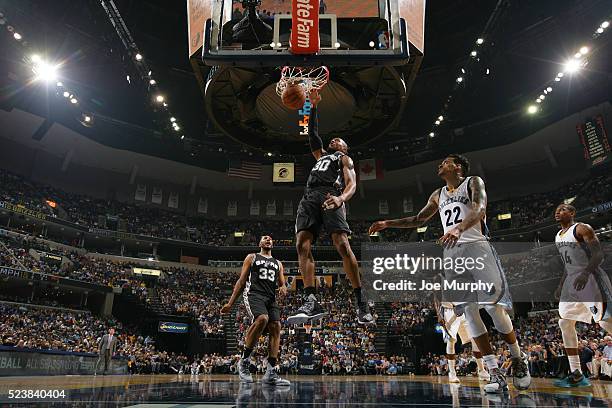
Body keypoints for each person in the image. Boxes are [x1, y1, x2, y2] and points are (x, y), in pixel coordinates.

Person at [369, 154, 531, 393]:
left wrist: (459, 227)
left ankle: (518, 358)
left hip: (477, 246)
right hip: (452, 254)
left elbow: (479, 208)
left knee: (492, 307)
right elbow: (418, 219)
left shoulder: (473, 182)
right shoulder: (438, 194)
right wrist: (388, 223)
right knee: (469, 311)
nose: (439, 165)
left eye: (444, 162)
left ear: (457, 166)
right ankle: (494, 371)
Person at [288, 90, 374, 325]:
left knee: (342, 245)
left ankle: (360, 302)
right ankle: (311, 300)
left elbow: (352, 184)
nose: (335, 140)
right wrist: (313, 106)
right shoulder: (321, 156)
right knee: (301, 244)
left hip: (331, 195)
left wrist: (341, 199)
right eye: (333, 139)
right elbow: (313, 135)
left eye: (339, 140)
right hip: (309, 197)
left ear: (345, 148)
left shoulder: (343, 159)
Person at [553, 203, 612, 387]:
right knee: (564, 322)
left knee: (604, 321)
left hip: (590, 277)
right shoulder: (558, 236)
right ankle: (576, 373)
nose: (558, 211)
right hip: (571, 280)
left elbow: (598, 254)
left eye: (563, 209)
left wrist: (586, 273)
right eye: (557, 209)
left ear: (572, 213)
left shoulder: (582, 228)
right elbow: (567, 263)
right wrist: (562, 283)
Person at [221, 235, 290, 386]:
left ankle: (270, 371)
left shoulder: (278, 263)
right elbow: (241, 280)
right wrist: (230, 303)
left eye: (271, 239)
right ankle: (244, 361)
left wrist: (284, 287)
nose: (268, 239)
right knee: (262, 318)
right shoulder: (251, 257)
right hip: (254, 294)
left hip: (270, 298)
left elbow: (282, 283)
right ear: (259, 243)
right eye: (265, 238)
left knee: (276, 326)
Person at [437, 301, 489, 383]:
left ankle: (482, 370)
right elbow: (436, 294)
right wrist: (439, 314)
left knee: (474, 338)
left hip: (463, 308)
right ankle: (452, 373)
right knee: (451, 340)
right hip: (449, 310)